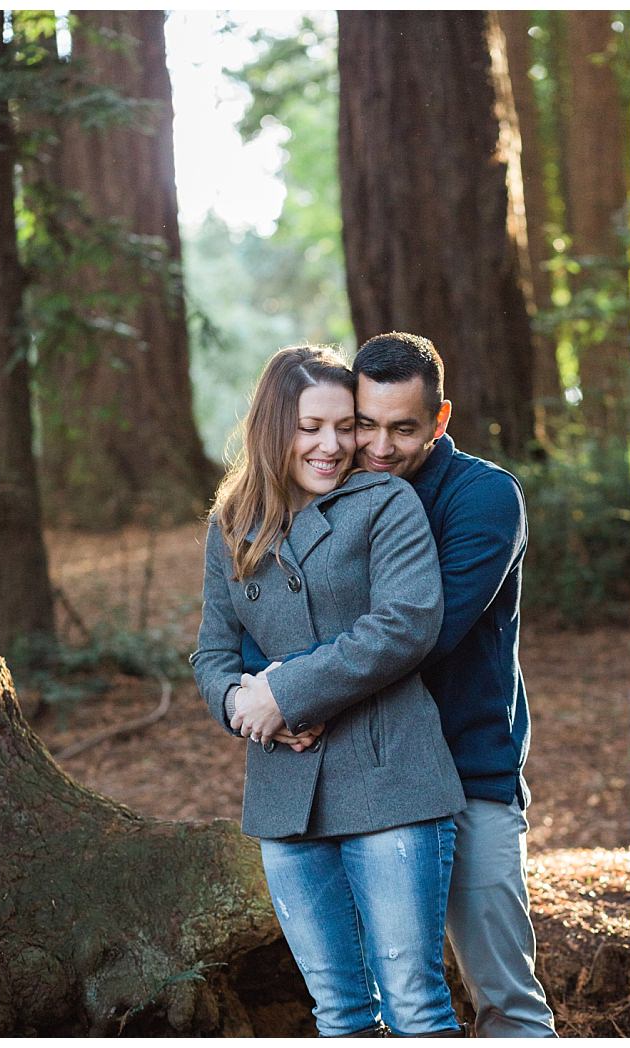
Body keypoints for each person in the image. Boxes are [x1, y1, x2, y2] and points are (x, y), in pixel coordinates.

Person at [276, 331, 553, 1037]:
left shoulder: (483, 498)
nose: (378, 445)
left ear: (441, 417)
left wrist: (296, 692)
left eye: (403, 428)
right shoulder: (327, 492)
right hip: (371, 779)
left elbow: (421, 635)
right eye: (365, 423)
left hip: (468, 772)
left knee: (505, 1000)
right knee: (373, 995)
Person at [191, 345, 467, 1037]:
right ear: (273, 425)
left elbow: (405, 625)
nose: (334, 444)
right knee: (338, 1012)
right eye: (311, 426)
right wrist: (239, 704)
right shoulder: (232, 523)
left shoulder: (384, 501)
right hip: (286, 794)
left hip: (391, 779)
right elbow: (213, 652)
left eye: (345, 426)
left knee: (414, 1002)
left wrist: (287, 691)